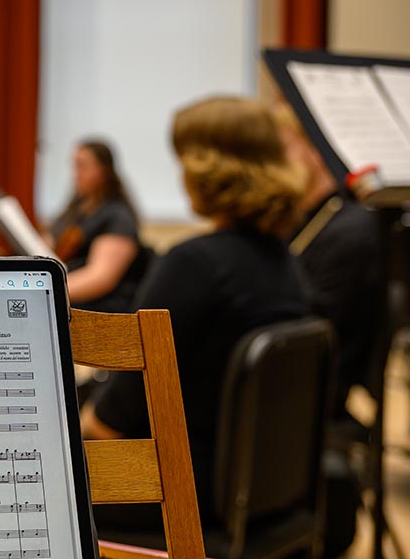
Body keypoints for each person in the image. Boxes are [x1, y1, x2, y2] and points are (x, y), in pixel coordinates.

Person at [83, 97, 309, 532]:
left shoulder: (195, 264)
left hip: (185, 492)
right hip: (260, 490)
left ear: (204, 167)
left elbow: (116, 418)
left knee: (21, 487)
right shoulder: (287, 263)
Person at [274, 102, 384, 416]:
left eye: (282, 149)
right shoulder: (300, 217)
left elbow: (317, 327)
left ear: (316, 151)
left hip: (309, 393)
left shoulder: (350, 228)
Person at [49, 140, 150, 313]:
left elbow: (100, 278)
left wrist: (47, 292)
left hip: (99, 308)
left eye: (83, 166)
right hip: (70, 297)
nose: (76, 174)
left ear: (103, 171)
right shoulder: (76, 208)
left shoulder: (118, 216)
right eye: (75, 166)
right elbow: (50, 243)